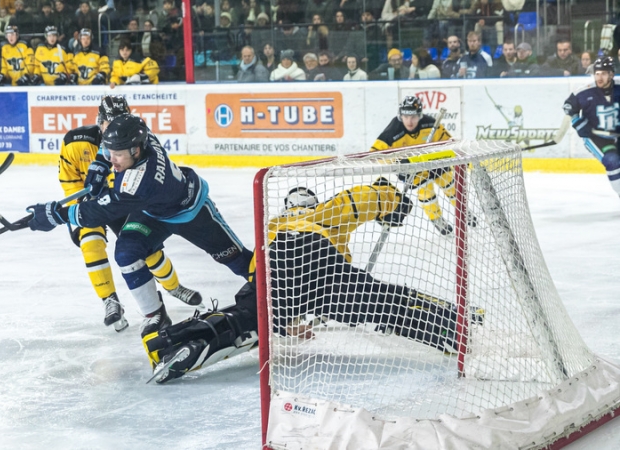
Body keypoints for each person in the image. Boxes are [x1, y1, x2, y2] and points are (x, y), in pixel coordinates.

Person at [144, 180, 480, 384]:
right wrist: (392, 199)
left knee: (247, 315)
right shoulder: (328, 212)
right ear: (312, 203)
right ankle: (451, 326)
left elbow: (259, 270)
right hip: (324, 267)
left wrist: (287, 321)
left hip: (277, 266)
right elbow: (366, 198)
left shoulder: (273, 225)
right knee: (386, 302)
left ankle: (174, 341)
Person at [25, 114, 253, 338]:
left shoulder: (140, 181)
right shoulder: (141, 137)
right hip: (152, 213)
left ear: (135, 150)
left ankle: (278, 292)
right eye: (109, 153)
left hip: (191, 211)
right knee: (126, 252)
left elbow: (98, 211)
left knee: (237, 259)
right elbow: (113, 148)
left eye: (118, 156)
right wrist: (99, 164)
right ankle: (156, 315)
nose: (112, 160)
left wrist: (56, 214)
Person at [58, 96, 203, 331]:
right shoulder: (74, 142)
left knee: (147, 250)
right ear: (100, 121)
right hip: (91, 202)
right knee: (90, 242)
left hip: (122, 201)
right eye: (111, 122)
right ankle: (110, 300)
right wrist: (81, 200)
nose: (117, 127)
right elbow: (68, 177)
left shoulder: (136, 140)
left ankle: (173, 286)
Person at [370, 96, 475, 235]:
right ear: (400, 115)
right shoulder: (392, 131)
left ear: (419, 115)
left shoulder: (430, 124)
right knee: (426, 192)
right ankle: (437, 219)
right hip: (409, 169)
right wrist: (398, 162)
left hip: (433, 161)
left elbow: (449, 143)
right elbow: (374, 154)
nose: (410, 121)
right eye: (406, 116)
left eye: (413, 116)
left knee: (450, 184)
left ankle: (463, 211)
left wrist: (463, 158)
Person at [563, 57, 620, 198]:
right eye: (597, 73)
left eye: (604, 74)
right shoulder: (585, 92)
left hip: (617, 136)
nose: (599, 77)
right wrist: (579, 123)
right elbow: (568, 107)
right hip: (597, 138)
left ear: (611, 75)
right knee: (612, 161)